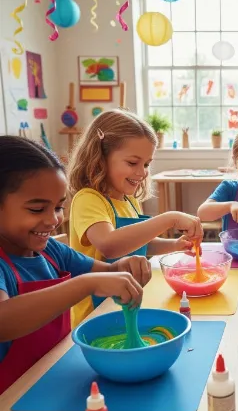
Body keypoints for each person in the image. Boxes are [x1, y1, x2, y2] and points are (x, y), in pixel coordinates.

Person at [0, 136, 151, 394]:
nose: (53, 220)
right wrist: (84, 284)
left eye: (58, 207)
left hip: (54, 378)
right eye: (37, 209)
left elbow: (107, 274)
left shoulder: (51, 251)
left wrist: (126, 267)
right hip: (12, 403)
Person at [68, 109, 203, 325]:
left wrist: (176, 245)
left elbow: (139, 245)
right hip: (95, 315)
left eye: (147, 164)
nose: (142, 172)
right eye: (132, 163)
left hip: (126, 304)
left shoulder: (128, 200)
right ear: (100, 158)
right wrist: (169, 218)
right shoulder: (88, 199)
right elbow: (110, 245)